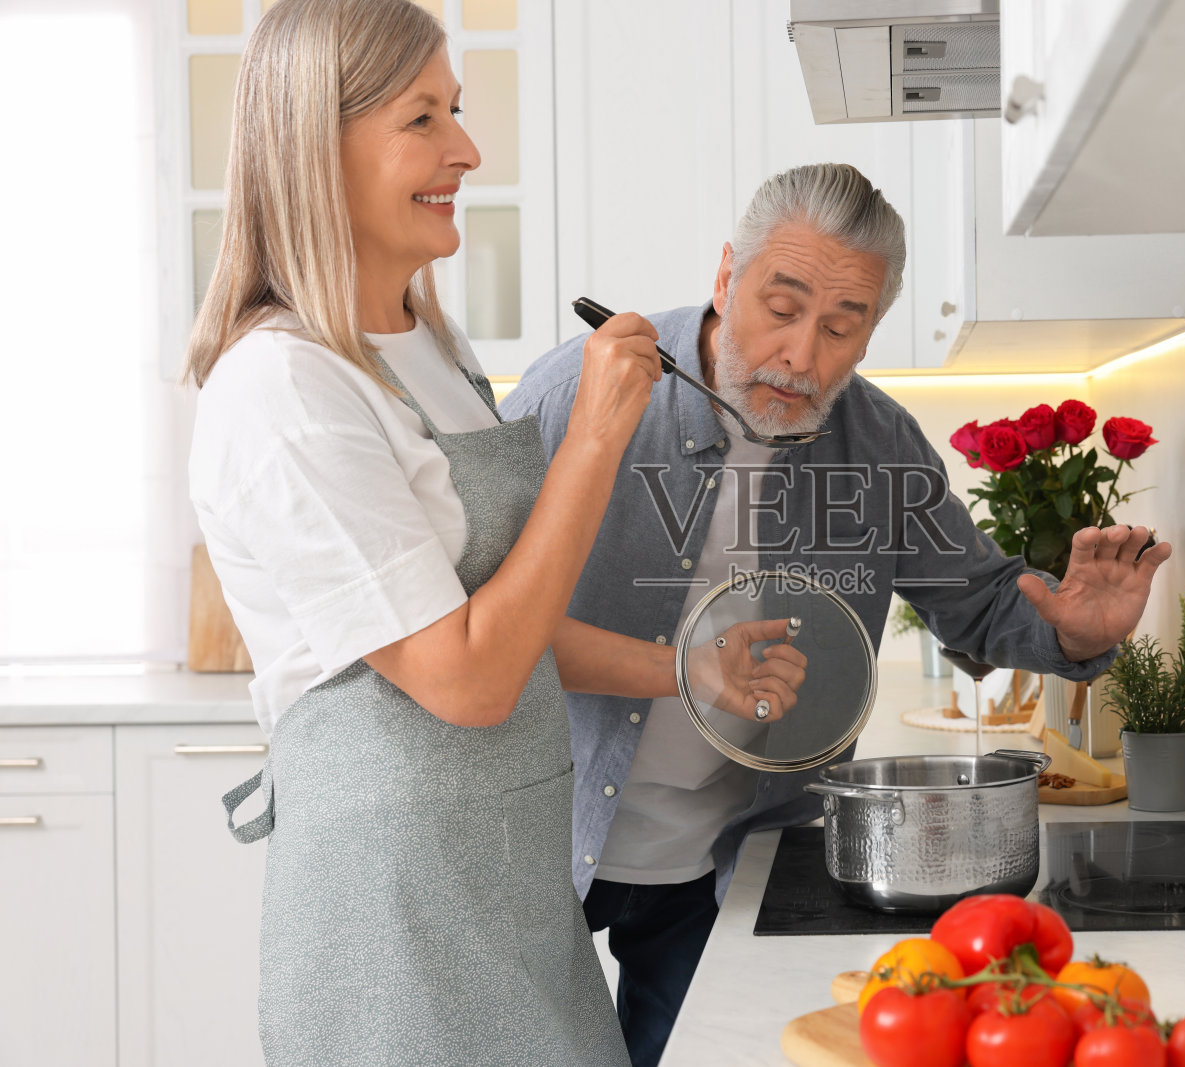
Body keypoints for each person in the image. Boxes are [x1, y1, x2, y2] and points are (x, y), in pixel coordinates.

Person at [183, 2, 803, 1064]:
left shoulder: (427, 345)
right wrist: (595, 438)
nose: (466, 150)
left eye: (456, 110)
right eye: (422, 117)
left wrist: (689, 669)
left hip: (509, 888)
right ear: (315, 143)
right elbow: (465, 678)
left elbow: (502, 624)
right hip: (396, 925)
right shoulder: (283, 386)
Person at [500, 162, 1174, 1066]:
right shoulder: (571, 395)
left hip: (730, 864)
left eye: (841, 327)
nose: (801, 356)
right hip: (544, 839)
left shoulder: (880, 444)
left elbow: (977, 599)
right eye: (780, 309)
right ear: (726, 277)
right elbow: (474, 620)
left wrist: (1073, 632)